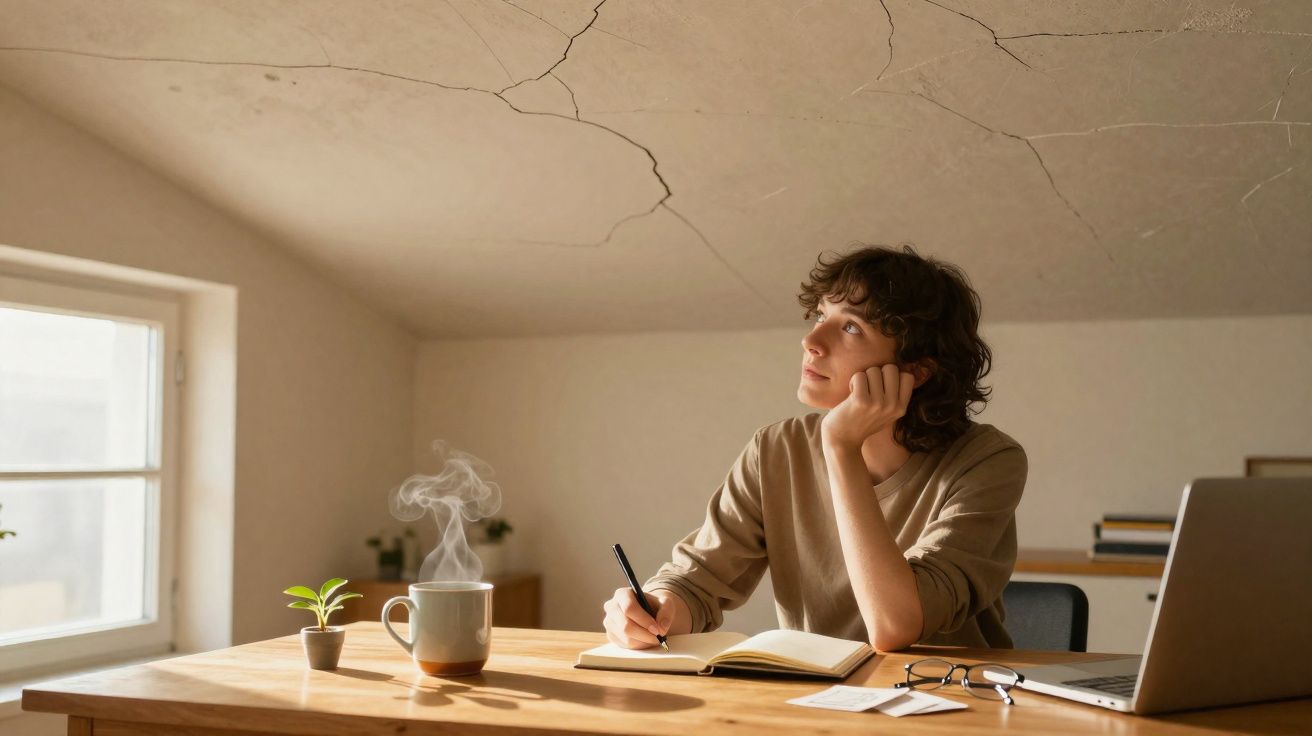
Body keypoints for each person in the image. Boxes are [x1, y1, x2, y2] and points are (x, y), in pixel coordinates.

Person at [601, 245, 1027, 651]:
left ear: (915, 370)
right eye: (821, 315)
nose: (812, 340)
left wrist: (840, 448)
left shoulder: (987, 461)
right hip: (820, 703)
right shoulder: (775, 449)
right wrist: (654, 609)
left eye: (851, 327)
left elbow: (895, 626)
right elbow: (698, 580)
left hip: (949, 701)